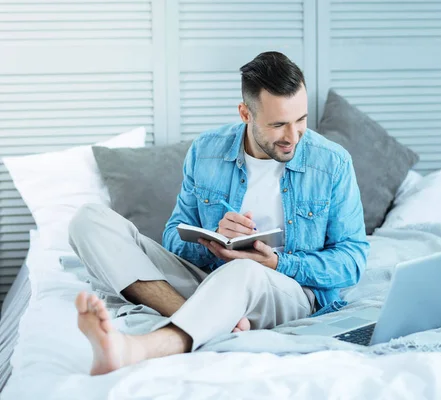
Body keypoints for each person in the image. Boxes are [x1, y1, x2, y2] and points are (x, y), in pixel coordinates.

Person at [69, 51, 370, 376]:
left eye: (301, 120)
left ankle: (140, 347)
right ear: (245, 113)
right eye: (278, 124)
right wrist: (212, 238)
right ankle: (205, 316)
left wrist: (277, 263)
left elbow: (352, 260)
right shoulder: (206, 151)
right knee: (88, 220)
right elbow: (172, 236)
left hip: (286, 291)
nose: (293, 136)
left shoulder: (332, 162)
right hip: (209, 278)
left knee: (244, 271)